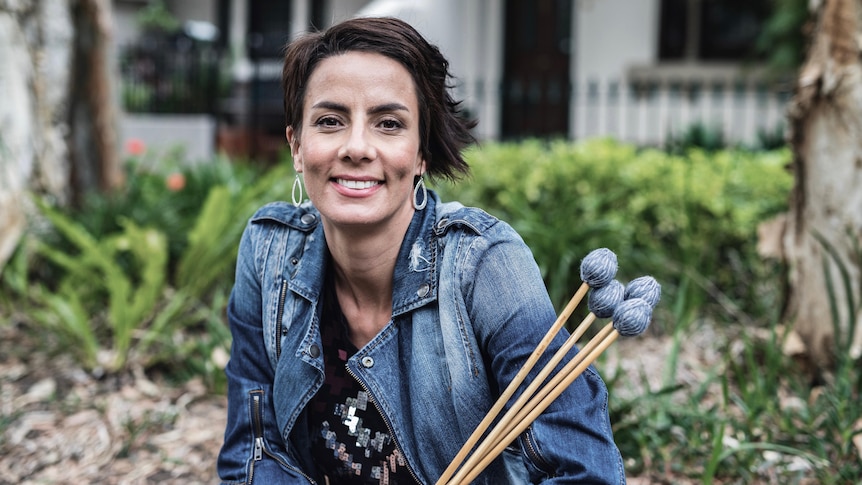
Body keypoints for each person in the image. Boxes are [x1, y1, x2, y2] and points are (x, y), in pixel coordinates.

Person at [218, 16, 625, 485]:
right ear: (296, 145)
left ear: (420, 155)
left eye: (388, 124)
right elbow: (254, 452)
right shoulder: (269, 251)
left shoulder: (484, 266)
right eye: (330, 121)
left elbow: (585, 472)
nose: (356, 147)